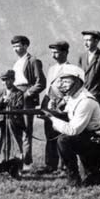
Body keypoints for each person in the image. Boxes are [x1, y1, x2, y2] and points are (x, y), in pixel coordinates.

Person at [49, 65, 100, 188]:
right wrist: (53, 112)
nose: (62, 84)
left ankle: (73, 181)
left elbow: (73, 129)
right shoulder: (73, 98)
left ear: (77, 81)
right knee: (89, 181)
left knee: (64, 140)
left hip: (97, 144)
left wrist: (51, 118)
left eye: (66, 81)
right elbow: (68, 116)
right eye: (61, 81)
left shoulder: (86, 100)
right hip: (88, 140)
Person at [10, 35, 46, 166]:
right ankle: (18, 158)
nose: (15, 49)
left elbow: (41, 82)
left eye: (18, 46)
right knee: (15, 127)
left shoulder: (33, 61)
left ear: (25, 46)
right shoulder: (16, 62)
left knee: (26, 129)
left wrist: (27, 94)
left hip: (26, 99)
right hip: (14, 97)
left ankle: (26, 161)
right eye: (13, 46)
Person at [40, 40, 70, 173]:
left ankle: (64, 165)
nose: (53, 56)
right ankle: (50, 165)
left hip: (63, 106)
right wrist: (46, 104)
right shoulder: (51, 69)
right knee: (50, 135)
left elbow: (72, 90)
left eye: (56, 52)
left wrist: (63, 103)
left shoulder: (71, 69)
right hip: (50, 105)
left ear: (65, 52)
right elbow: (48, 89)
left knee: (62, 135)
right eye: (52, 52)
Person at [0, 69, 25, 162]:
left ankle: (17, 163)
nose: (5, 82)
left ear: (13, 80)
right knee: (2, 141)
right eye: (3, 80)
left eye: (8, 79)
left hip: (14, 122)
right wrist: (2, 100)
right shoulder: (0, 92)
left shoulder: (18, 93)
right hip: (2, 121)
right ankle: (1, 162)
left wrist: (10, 103)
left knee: (16, 141)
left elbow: (20, 106)